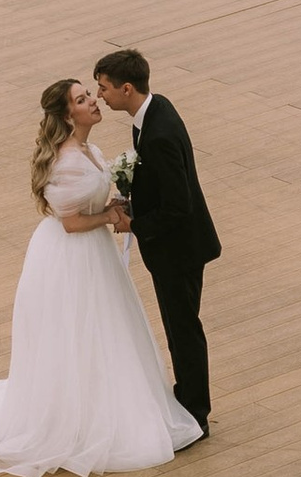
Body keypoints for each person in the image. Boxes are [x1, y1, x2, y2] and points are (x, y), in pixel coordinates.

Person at [0, 77, 200, 477]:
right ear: (68, 115)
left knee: (103, 328)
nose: (94, 101)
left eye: (90, 95)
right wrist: (109, 216)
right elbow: (70, 223)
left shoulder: (89, 150)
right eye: (83, 99)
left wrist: (114, 204)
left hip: (94, 252)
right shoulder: (67, 161)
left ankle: (103, 403)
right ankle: (77, 418)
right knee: (78, 329)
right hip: (71, 257)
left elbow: (87, 204)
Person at [84, 48, 218, 436]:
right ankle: (188, 398)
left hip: (179, 250)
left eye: (104, 88)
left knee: (183, 331)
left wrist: (134, 224)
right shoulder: (155, 111)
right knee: (179, 328)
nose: (100, 96)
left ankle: (195, 413)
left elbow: (178, 205)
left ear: (126, 88)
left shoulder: (157, 134)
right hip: (178, 246)